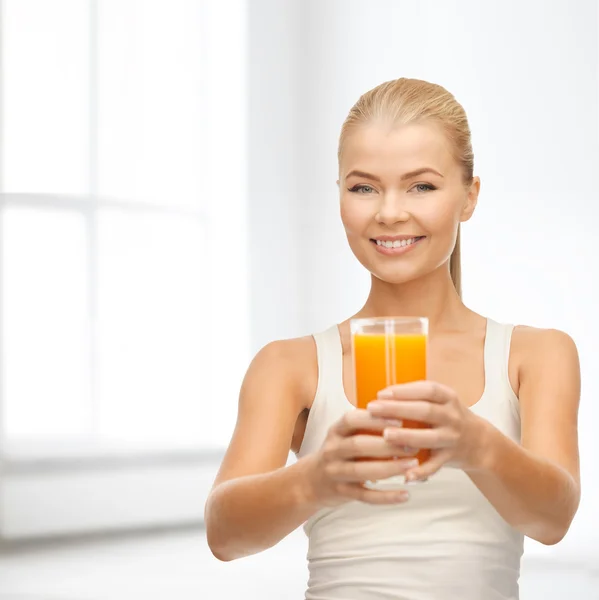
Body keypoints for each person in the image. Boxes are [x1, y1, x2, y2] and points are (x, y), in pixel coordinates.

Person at [204, 77, 581, 599]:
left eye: (421, 186)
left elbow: (553, 519)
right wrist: (313, 479)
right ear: (339, 196)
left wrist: (477, 445)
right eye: (363, 187)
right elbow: (225, 534)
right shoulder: (291, 365)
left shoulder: (535, 355)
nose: (389, 212)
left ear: (469, 196)